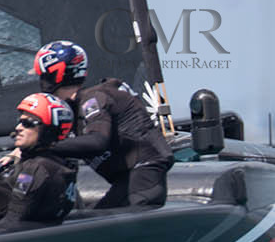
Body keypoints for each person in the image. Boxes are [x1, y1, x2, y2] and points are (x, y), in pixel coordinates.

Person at [31, 40, 171, 208]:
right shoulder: (72, 110)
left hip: (142, 178)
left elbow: (97, 141)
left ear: (53, 77)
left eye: (43, 77)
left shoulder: (93, 100)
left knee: (98, 226)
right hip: (127, 182)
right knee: (89, 219)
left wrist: (41, 146)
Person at [0, 93, 78, 232]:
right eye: (19, 121)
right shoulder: (56, 164)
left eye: (27, 123)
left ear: (48, 129)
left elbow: (11, 223)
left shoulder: (36, 168)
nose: (18, 127)